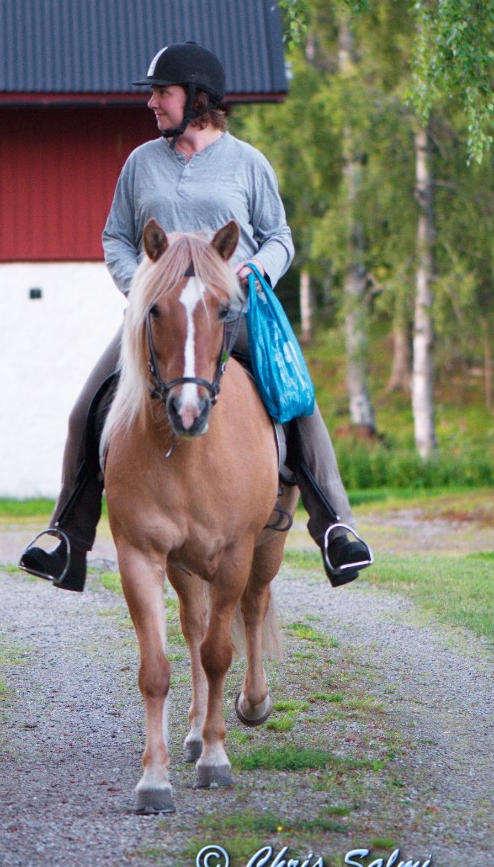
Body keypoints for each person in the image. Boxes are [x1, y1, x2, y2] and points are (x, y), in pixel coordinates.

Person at [20, 42, 373, 592]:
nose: (153, 104)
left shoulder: (247, 162)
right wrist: (141, 286)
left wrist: (253, 271)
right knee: (85, 408)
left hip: (234, 313)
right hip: (159, 319)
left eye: (163, 93)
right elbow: (115, 237)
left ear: (197, 99)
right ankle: (67, 535)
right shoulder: (140, 164)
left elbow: (279, 236)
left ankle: (335, 528)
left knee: (297, 398)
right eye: (154, 94)